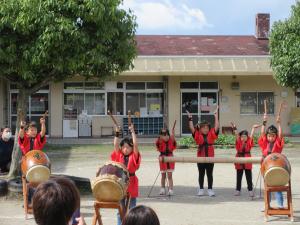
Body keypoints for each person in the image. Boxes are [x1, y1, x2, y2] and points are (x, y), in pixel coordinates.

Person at [111, 124, 141, 225]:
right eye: (123, 147)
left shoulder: (134, 155)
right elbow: (115, 145)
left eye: (128, 147)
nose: (125, 149)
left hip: (131, 183)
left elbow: (136, 144)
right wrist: (117, 133)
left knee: (132, 209)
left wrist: (133, 132)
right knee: (120, 209)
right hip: (120, 183)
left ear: (132, 148)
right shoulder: (119, 155)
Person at [187, 106, 219, 197]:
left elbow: (216, 127)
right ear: (200, 129)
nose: (205, 129)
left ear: (209, 129)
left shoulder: (212, 134)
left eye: (207, 128)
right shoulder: (197, 134)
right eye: (203, 128)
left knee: (210, 174)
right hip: (200, 157)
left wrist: (216, 116)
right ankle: (201, 189)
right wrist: (190, 118)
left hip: (210, 157)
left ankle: (210, 189)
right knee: (201, 174)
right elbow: (191, 128)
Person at [258, 112, 284, 208]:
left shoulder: (278, 143)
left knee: (278, 186)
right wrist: (264, 121)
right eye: (269, 136)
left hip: (276, 167)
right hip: (266, 167)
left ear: (275, 136)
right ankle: (267, 205)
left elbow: (280, 135)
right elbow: (262, 133)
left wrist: (279, 123)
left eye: (273, 136)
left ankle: (280, 205)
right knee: (267, 187)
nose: (271, 137)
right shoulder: (265, 143)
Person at [231, 123, 261, 197]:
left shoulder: (249, 142)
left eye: (245, 136)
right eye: (242, 136)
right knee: (239, 176)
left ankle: (250, 190)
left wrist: (253, 128)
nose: (243, 138)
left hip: (247, 159)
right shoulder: (238, 142)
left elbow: (251, 136)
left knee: (248, 176)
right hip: (239, 159)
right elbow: (236, 135)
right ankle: (238, 190)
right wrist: (235, 128)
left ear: (247, 137)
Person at [156, 127, 176, 195]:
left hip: (170, 159)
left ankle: (171, 190)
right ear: (161, 136)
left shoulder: (171, 140)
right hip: (162, 159)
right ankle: (162, 189)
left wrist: (173, 134)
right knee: (163, 176)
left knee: (170, 176)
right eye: (164, 135)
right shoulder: (159, 141)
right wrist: (160, 138)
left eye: (167, 134)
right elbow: (158, 146)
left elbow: (174, 143)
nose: (166, 136)